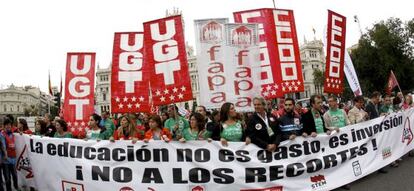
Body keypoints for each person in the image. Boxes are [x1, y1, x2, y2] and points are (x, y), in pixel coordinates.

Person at [2, 118, 18, 191]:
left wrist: (21, 133)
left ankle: (16, 187)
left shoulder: (13, 133)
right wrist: (5, 155)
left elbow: (21, 131)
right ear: (4, 126)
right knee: (7, 178)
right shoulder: (2, 134)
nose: (8, 126)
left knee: (15, 176)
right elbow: (3, 146)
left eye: (9, 125)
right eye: (7, 125)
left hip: (13, 159)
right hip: (6, 160)